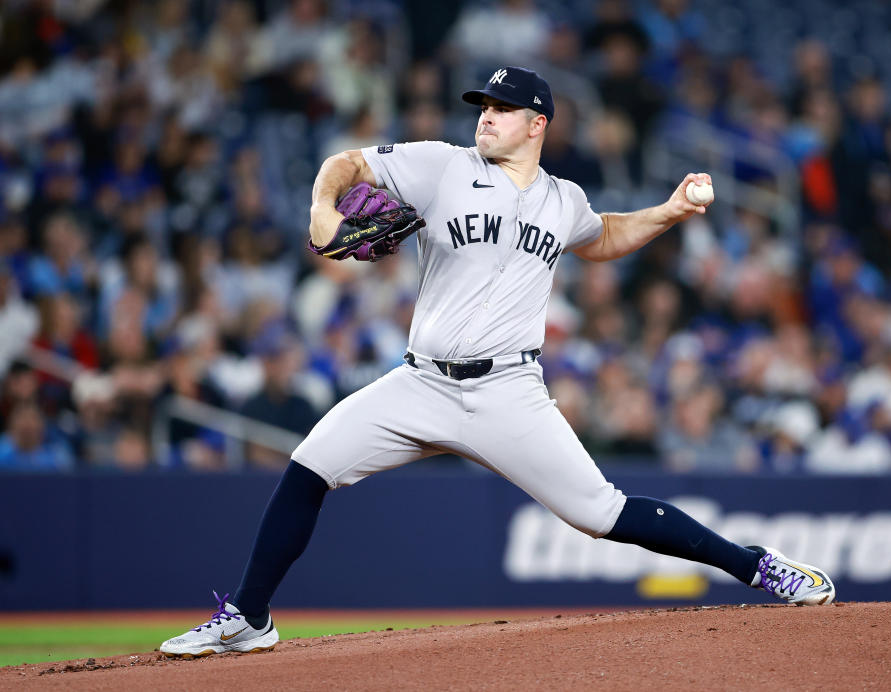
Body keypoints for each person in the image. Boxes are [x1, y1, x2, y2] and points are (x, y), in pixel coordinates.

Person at [159, 67, 835, 658]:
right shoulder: (443, 165)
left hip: (509, 390)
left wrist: (667, 212)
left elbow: (601, 237)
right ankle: (249, 617)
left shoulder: (563, 199)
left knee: (602, 512)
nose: (486, 115)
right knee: (309, 466)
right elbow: (347, 163)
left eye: (502, 108)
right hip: (420, 381)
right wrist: (321, 208)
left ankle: (758, 569)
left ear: (537, 123)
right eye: (483, 105)